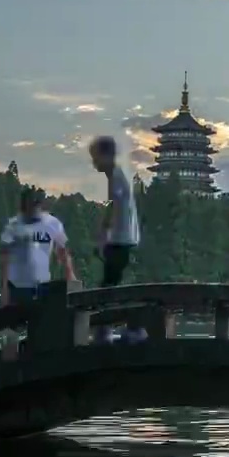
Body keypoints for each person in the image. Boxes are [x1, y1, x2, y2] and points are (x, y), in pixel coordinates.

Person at [89, 136, 145, 344]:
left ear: (107, 156)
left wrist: (103, 237)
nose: (94, 163)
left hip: (120, 239)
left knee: (109, 287)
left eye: (96, 157)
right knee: (111, 285)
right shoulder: (117, 176)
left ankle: (125, 330)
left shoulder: (116, 176)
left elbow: (114, 208)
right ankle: (114, 330)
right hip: (123, 237)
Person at [0, 187, 77, 304]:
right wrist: (4, 289)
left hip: (42, 284)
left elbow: (62, 251)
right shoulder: (13, 225)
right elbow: (5, 258)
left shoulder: (52, 224)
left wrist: (70, 275)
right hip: (18, 286)